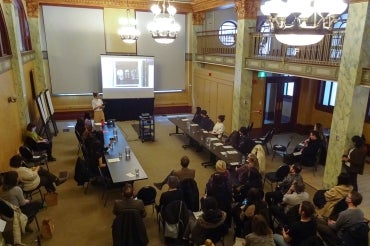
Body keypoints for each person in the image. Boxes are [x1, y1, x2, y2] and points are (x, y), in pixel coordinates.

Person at [205, 160, 232, 227]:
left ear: (216, 168)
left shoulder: (213, 177)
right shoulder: (228, 175)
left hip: (215, 200)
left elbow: (209, 189)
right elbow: (229, 189)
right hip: (226, 201)